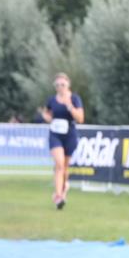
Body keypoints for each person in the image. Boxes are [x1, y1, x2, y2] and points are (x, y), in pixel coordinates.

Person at [41, 72, 85, 210]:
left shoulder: (75, 99)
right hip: (55, 135)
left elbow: (80, 119)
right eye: (58, 85)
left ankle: (63, 188)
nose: (60, 87)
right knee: (59, 164)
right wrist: (46, 117)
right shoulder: (51, 100)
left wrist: (70, 106)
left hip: (69, 134)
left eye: (63, 84)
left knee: (65, 167)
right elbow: (46, 113)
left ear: (68, 85)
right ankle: (58, 196)